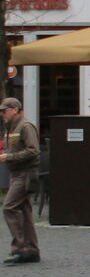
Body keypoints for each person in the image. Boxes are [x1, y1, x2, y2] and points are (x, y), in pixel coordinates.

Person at [2, 97, 41, 265]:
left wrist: (9, 156)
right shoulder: (10, 127)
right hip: (17, 173)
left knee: (9, 207)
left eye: (5, 110)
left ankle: (19, 248)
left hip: (25, 173)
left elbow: (33, 151)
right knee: (24, 211)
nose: (2, 113)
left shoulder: (25, 126)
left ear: (15, 110)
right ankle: (32, 250)